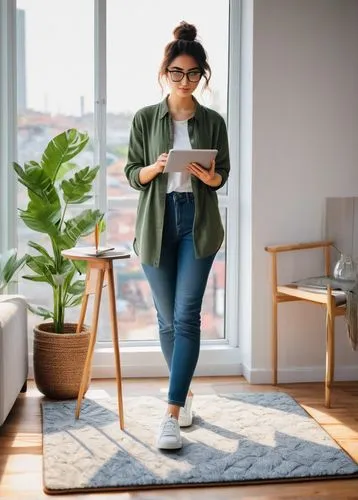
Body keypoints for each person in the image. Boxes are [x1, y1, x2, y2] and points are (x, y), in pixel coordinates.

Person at [124, 21, 230, 450]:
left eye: (192, 74)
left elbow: (224, 176)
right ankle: (184, 396)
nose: (185, 82)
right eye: (177, 73)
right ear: (165, 73)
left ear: (202, 75)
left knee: (187, 316)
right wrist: (156, 166)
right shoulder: (145, 118)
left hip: (197, 223)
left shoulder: (213, 121)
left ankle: (170, 414)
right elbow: (134, 173)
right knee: (166, 319)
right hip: (156, 221)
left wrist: (210, 176)